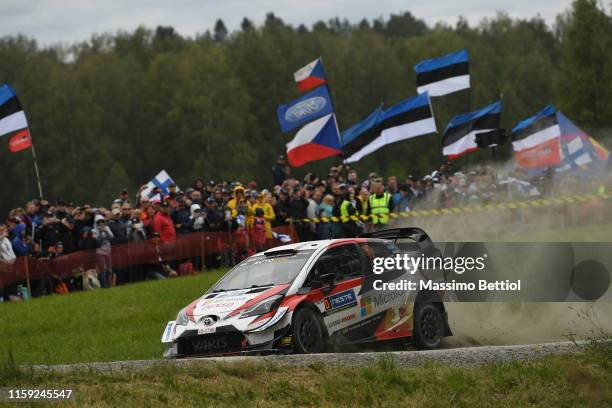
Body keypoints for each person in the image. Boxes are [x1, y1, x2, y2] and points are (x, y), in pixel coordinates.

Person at [92, 214, 115, 287]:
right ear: (96, 223)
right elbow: (96, 242)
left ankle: (110, 284)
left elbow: (112, 237)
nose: (101, 223)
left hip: (108, 251)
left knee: (109, 268)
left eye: (102, 221)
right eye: (99, 222)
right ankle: (104, 285)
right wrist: (101, 232)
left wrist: (106, 231)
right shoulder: (94, 231)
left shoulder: (107, 228)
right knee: (103, 269)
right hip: (99, 252)